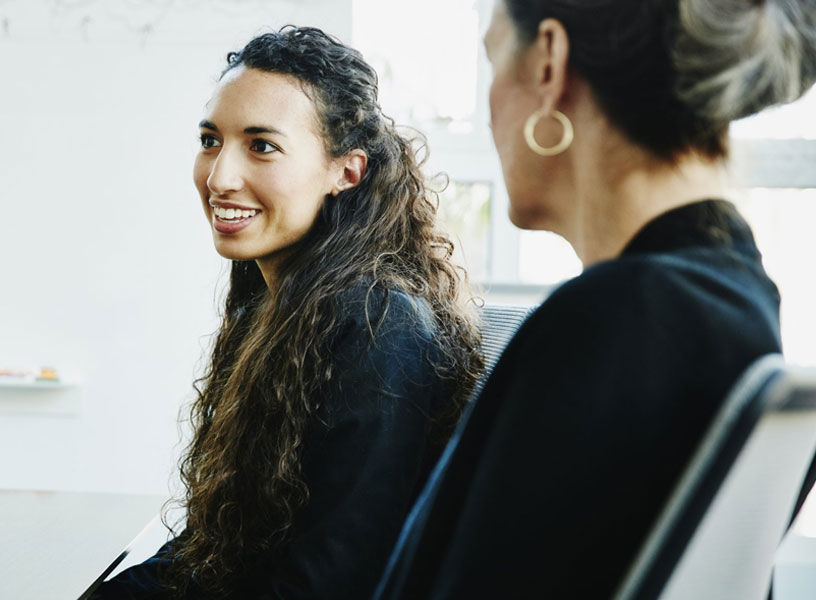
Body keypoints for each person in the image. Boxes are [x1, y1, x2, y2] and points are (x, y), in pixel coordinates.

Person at [375, 0, 816, 598]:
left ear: (549, 65)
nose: (488, 110)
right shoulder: (730, 297)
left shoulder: (613, 325)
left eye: (494, 60)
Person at [96, 27, 482, 598]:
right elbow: (224, 545)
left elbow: (330, 582)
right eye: (210, 140)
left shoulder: (380, 324)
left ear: (345, 172)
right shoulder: (275, 302)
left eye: (262, 146)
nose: (220, 177)